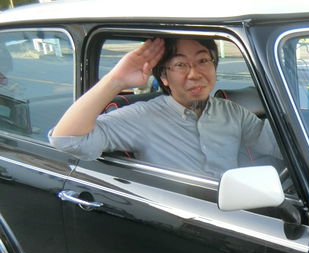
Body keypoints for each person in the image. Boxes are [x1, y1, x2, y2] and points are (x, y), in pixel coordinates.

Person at [50, 37, 280, 179]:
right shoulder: (143, 117)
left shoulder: (231, 112)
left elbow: (273, 146)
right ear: (164, 77)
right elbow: (67, 140)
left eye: (203, 61)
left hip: (236, 212)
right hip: (177, 220)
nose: (195, 73)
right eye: (180, 64)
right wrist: (116, 80)